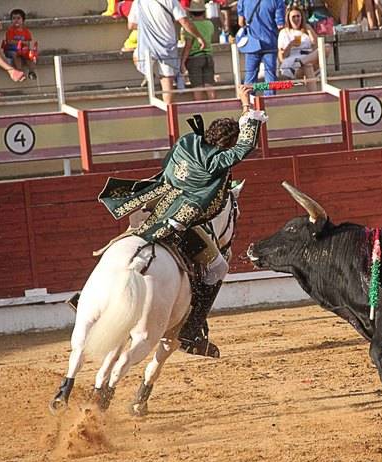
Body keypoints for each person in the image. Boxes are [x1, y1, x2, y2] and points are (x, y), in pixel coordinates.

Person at [97, 85, 266, 356]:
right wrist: (248, 107)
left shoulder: (187, 141)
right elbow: (246, 145)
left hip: (153, 201)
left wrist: (242, 103)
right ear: (225, 148)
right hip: (180, 216)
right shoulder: (217, 163)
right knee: (218, 268)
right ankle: (191, 328)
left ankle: (89, 298)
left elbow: (226, 140)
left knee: (126, 242)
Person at [128, 0, 207, 104]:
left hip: (147, 46)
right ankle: (169, 113)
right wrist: (199, 37)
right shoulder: (171, 1)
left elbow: (131, 25)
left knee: (137, 56)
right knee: (167, 83)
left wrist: (149, 26)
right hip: (167, 46)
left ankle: (148, 74)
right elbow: (184, 21)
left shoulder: (138, 2)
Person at [238, 0, 285, 96]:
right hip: (270, 42)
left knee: (250, 77)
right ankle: (269, 101)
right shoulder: (277, 1)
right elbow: (280, 25)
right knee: (270, 76)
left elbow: (241, 22)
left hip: (252, 43)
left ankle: (250, 103)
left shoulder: (242, 1)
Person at [278, 6, 327, 91]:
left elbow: (316, 46)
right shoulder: (284, 32)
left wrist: (309, 30)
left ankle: (301, 62)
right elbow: (282, 57)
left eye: (298, 16)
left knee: (326, 47)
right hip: (293, 63)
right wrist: (290, 45)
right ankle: (314, 97)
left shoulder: (306, 30)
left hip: (308, 58)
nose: (296, 19)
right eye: (293, 17)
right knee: (308, 66)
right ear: (288, 19)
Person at [181, 0, 217, 100]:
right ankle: (214, 107)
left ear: (191, 12)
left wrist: (183, 62)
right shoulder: (209, 24)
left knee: (197, 87)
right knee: (210, 85)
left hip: (195, 57)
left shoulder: (190, 26)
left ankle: (199, 108)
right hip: (208, 56)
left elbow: (188, 46)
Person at [3, 9, 37, 81]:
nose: (16, 20)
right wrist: (21, 42)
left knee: (30, 57)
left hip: (22, 49)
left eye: (18, 18)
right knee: (16, 55)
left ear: (23, 20)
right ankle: (20, 72)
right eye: (14, 18)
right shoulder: (10, 30)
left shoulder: (26, 31)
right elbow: (9, 41)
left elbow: (28, 43)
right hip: (11, 50)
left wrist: (24, 46)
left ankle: (31, 71)